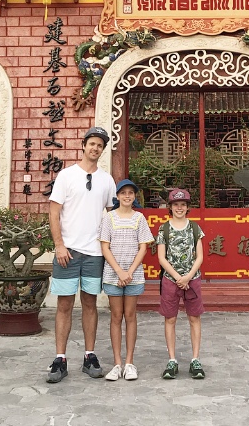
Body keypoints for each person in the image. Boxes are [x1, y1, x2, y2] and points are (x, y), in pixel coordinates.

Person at [46, 126, 116, 384]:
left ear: (102, 150)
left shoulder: (107, 180)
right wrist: (59, 245)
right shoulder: (66, 176)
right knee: (64, 304)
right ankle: (60, 358)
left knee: (90, 303)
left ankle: (89, 355)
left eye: (100, 145)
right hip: (68, 252)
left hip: (94, 253)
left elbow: (111, 216)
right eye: (92, 143)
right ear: (83, 145)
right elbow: (54, 212)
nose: (95, 148)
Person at [98, 179, 154, 382]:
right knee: (116, 316)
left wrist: (128, 272)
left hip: (134, 275)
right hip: (113, 275)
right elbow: (105, 247)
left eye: (131, 193)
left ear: (134, 196)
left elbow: (143, 247)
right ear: (118, 196)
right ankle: (117, 363)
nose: (127, 196)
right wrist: (119, 271)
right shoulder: (108, 218)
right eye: (123, 193)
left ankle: (129, 362)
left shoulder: (139, 218)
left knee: (130, 316)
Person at [156, 188, 206, 380]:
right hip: (171, 280)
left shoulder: (194, 228)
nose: (179, 208)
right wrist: (178, 277)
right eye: (176, 205)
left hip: (192, 280)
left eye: (183, 205)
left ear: (187, 207)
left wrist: (188, 277)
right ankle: (172, 360)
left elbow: (199, 256)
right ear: (170, 207)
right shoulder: (164, 229)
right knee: (170, 319)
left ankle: (195, 359)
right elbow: (162, 257)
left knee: (194, 318)